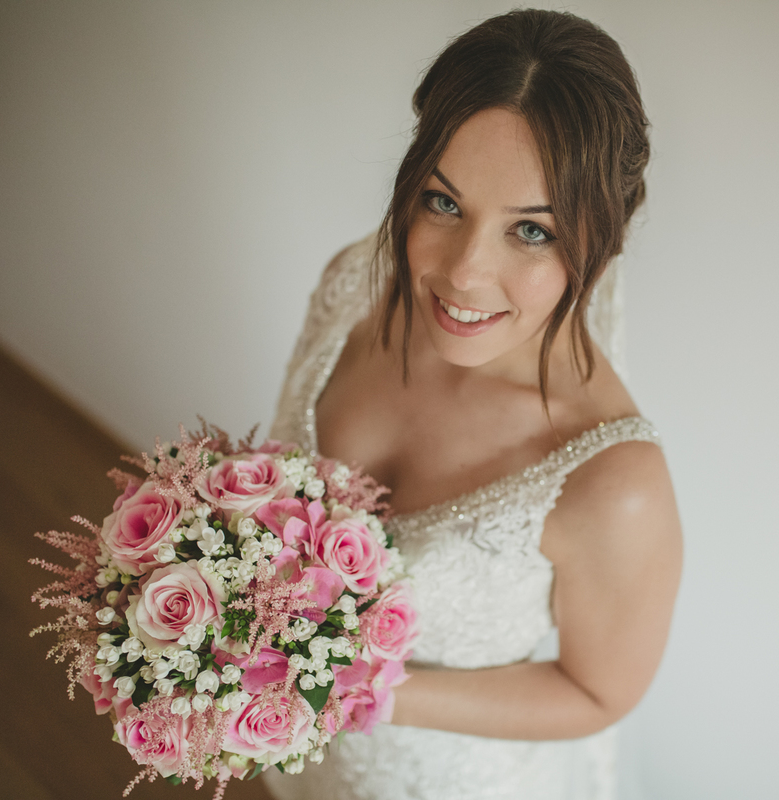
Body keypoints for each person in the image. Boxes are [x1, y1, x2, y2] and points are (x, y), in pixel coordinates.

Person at [264, 9, 681, 799]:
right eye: (443, 202)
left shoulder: (613, 484)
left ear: (603, 237)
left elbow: (598, 693)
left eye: (531, 231)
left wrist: (345, 684)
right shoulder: (355, 287)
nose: (461, 274)